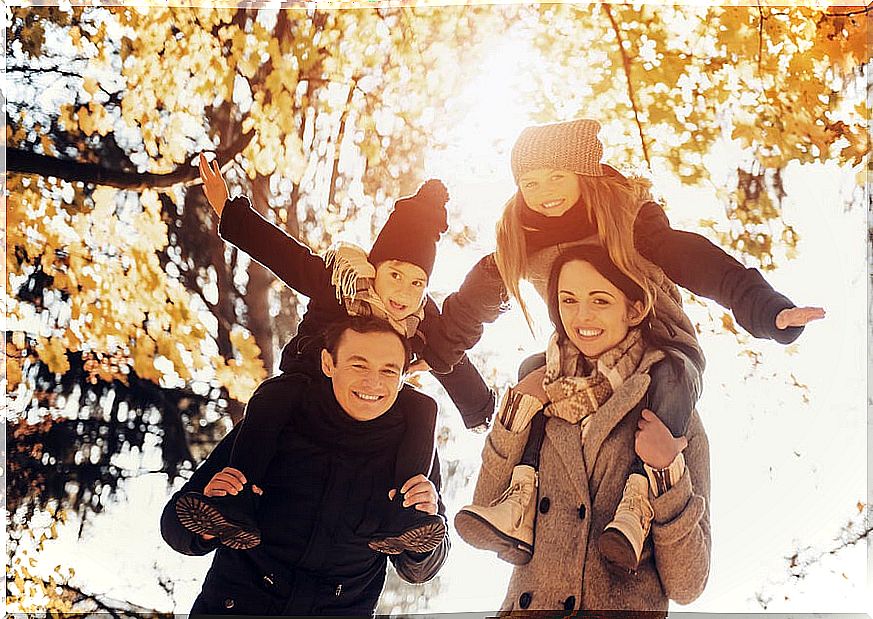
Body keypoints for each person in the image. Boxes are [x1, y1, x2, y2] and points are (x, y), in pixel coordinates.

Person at [453, 118, 823, 570]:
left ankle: (638, 501)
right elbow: (472, 302)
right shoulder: (521, 236)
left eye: (557, 176)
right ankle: (521, 497)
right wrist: (433, 343)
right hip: (581, 352)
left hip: (657, 344)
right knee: (532, 368)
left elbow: (696, 260)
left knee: (674, 374)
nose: (544, 191)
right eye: (530, 182)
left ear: (584, 173)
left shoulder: (628, 217)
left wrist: (764, 308)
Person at [176, 157, 500, 555]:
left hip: (367, 400)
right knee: (273, 395)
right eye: (395, 274)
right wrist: (229, 209)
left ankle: (406, 516)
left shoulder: (421, 314)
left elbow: (453, 353)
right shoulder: (341, 282)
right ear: (376, 266)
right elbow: (285, 256)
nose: (403, 292)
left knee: (421, 409)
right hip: (307, 385)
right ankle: (236, 495)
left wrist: (480, 408)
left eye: (418, 282)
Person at [459, 245, 710, 614]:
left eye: (600, 300)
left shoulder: (672, 410)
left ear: (635, 308)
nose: (582, 315)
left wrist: (667, 474)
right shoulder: (539, 387)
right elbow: (484, 510)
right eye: (569, 300)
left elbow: (688, 584)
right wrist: (514, 415)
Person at [161, 316, 450, 616]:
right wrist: (210, 521)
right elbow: (174, 525)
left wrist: (425, 537)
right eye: (359, 365)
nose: (373, 382)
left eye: (389, 370)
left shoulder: (413, 447)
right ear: (329, 363)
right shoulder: (275, 420)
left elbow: (422, 570)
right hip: (239, 603)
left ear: (403, 376)